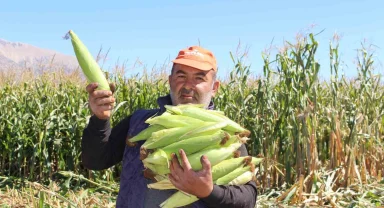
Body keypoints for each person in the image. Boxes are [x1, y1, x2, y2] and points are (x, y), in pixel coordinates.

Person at [81, 46, 258, 208]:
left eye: (199, 78)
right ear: (170, 80)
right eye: (181, 76)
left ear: (214, 88)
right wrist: (100, 119)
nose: (188, 85)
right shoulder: (139, 123)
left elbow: (248, 198)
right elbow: (95, 161)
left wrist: (209, 192)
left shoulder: (226, 134)